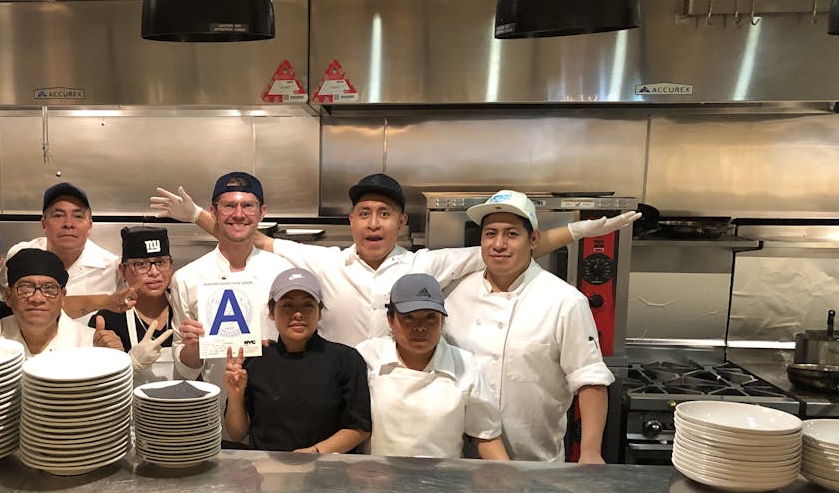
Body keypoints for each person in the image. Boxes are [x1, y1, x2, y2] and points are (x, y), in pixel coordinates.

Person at [152, 173, 640, 348]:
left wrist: (577, 231)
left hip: (398, 402)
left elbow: (504, 247)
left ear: (401, 223)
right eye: (364, 213)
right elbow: (246, 235)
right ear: (352, 221)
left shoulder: (423, 268)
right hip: (336, 399)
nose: (373, 223)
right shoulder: (325, 263)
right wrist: (197, 215)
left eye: (384, 214)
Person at [444, 190, 614, 464]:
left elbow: (590, 379)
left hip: (534, 460)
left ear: (533, 239)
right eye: (490, 234)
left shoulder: (565, 301)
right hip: (458, 460)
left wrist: (590, 451)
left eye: (511, 234)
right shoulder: (453, 294)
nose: (499, 244)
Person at [356, 274, 507, 460]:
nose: (420, 327)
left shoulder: (465, 364)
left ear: (442, 320)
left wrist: (506, 480)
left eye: (430, 317)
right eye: (408, 317)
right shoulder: (367, 357)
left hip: (444, 482)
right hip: (379, 481)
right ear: (390, 319)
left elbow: (486, 436)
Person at [167, 172, 293, 393]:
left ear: (262, 212)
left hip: (277, 402)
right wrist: (194, 348)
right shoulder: (187, 278)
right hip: (216, 405)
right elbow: (186, 370)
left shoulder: (283, 271)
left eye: (248, 206)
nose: (238, 214)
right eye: (228, 206)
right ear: (213, 212)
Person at [223, 268, 370, 454]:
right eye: (287, 305)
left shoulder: (346, 360)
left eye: (308, 305)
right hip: (265, 474)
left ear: (320, 312)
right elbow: (237, 434)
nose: (298, 313)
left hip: (327, 472)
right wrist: (235, 394)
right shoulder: (255, 360)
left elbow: (359, 428)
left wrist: (313, 453)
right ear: (271, 312)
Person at [0, 182, 134, 322]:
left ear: (90, 225)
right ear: (44, 224)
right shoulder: (20, 255)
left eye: (78, 216)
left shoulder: (111, 266)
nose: (68, 224)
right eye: (58, 215)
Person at [0, 248, 124, 357]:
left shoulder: (90, 343)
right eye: (26, 288)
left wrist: (115, 362)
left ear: (62, 296)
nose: (37, 298)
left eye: (49, 289)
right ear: (9, 297)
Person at [90, 226, 177, 383]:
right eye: (141, 264)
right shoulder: (107, 320)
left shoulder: (185, 310)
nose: (154, 272)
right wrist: (129, 363)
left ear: (171, 266)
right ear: (123, 271)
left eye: (161, 262)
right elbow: (95, 387)